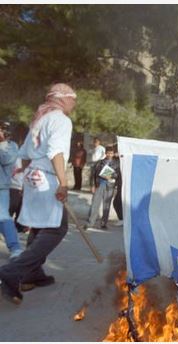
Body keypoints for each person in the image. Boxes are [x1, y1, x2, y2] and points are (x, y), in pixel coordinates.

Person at [0, 83, 76, 304]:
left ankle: (33, 273)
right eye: (73, 98)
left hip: (33, 175)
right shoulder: (61, 119)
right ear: (62, 99)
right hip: (47, 178)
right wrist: (63, 183)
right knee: (57, 229)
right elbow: (56, 152)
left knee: (41, 224)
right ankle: (14, 271)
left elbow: (24, 153)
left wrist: (25, 176)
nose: (75, 102)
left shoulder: (40, 118)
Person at [0, 120, 23, 259]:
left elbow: (6, 160)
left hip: (1, 188)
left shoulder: (11, 147)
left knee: (3, 218)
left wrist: (1, 143)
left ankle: (15, 248)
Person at [86, 146, 120, 230]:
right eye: (108, 153)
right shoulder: (99, 163)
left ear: (113, 154)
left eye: (111, 153)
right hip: (99, 185)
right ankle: (90, 223)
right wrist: (92, 185)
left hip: (110, 186)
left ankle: (103, 224)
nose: (109, 154)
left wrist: (110, 176)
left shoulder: (116, 164)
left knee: (106, 206)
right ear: (105, 153)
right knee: (95, 204)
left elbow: (118, 175)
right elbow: (93, 175)